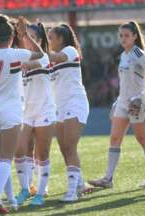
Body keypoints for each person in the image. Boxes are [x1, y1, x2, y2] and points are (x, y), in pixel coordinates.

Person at [0, 14, 45, 214]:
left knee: (2, 157)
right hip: (10, 110)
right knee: (6, 158)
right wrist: (25, 34)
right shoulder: (17, 53)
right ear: (12, 36)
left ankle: (11, 200)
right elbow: (40, 54)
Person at [88, 21, 145, 189]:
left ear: (135, 36)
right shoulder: (123, 55)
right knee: (115, 139)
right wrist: (117, 103)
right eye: (121, 35)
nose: (123, 38)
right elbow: (126, 83)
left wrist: (141, 97)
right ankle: (108, 179)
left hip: (138, 104)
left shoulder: (138, 53)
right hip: (122, 103)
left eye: (127, 35)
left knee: (143, 139)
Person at [14, 22, 55, 206]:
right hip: (26, 112)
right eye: (24, 35)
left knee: (42, 153)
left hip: (44, 111)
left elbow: (35, 59)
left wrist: (25, 36)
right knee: (20, 150)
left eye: (30, 36)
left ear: (38, 39)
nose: (25, 39)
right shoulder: (19, 56)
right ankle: (25, 188)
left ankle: (40, 192)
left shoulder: (44, 57)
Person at [48, 24, 89, 202]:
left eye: (51, 38)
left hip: (76, 103)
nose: (48, 41)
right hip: (60, 107)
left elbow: (57, 57)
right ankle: (80, 184)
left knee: (70, 147)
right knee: (65, 148)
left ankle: (72, 192)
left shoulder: (70, 50)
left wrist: (37, 48)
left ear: (61, 39)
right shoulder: (50, 61)